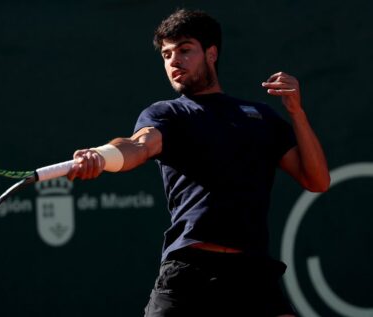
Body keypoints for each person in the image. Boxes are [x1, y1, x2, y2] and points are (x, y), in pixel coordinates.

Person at [67, 8, 330, 317]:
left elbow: (317, 180)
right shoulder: (166, 114)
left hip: (251, 273)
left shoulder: (260, 117)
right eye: (166, 55)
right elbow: (138, 145)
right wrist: (102, 156)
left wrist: (296, 112)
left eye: (184, 50)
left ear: (211, 53)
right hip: (189, 272)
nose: (174, 61)